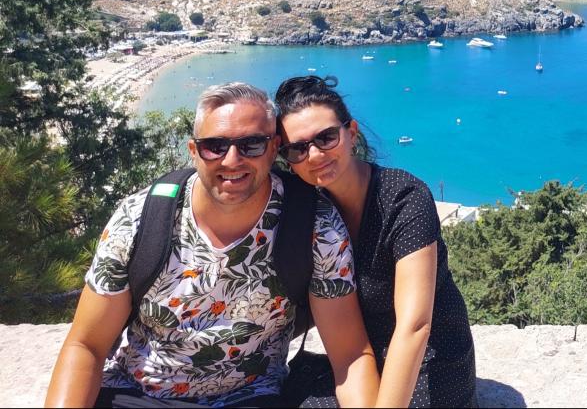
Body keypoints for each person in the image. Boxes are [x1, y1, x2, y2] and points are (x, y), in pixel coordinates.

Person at [45, 82, 380, 408]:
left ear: (273, 149)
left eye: (251, 144)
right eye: (214, 146)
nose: (232, 160)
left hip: (250, 396)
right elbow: (86, 345)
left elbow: (350, 355)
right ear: (194, 152)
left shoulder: (315, 226)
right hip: (137, 392)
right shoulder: (139, 218)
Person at [274, 75, 477, 408]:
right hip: (360, 361)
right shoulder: (308, 210)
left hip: (429, 359)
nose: (315, 154)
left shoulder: (402, 198)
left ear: (351, 133)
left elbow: (415, 326)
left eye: (326, 137)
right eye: (298, 148)